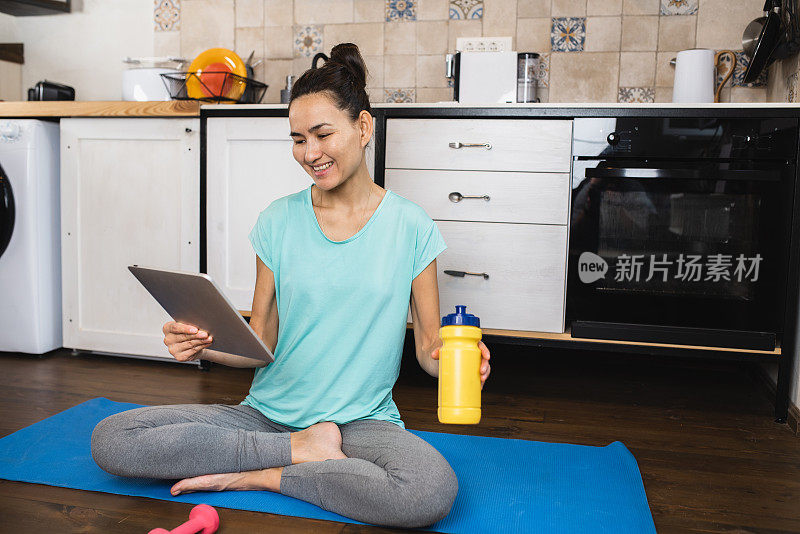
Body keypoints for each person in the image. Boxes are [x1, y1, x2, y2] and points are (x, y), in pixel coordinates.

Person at [90, 42, 492, 529]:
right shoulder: (278, 221)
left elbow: (430, 349)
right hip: (266, 417)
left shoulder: (412, 227)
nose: (310, 153)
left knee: (428, 492)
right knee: (112, 438)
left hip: (361, 423)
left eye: (323, 135)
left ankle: (262, 475)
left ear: (363, 128)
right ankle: (295, 449)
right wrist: (203, 346)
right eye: (298, 139)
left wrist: (456, 357)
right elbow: (262, 343)